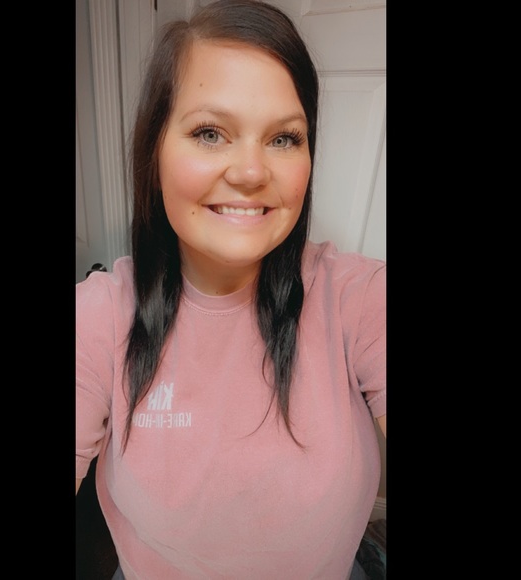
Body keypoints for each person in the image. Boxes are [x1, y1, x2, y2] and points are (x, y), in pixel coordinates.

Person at [76, 1, 386, 578]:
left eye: (284, 138)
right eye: (210, 133)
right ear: (154, 151)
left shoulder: (360, 300)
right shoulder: (99, 316)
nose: (250, 172)